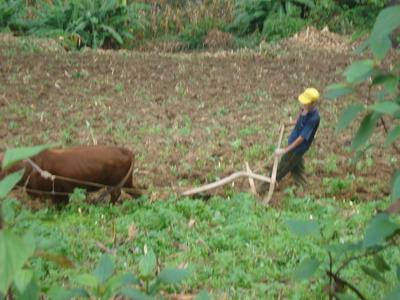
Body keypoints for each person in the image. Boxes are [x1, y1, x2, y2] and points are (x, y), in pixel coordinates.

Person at [258, 87, 320, 193]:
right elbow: (300, 121)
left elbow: (301, 138)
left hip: (297, 149)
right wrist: (288, 123)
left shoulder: (314, 118)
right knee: (297, 170)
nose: (303, 105)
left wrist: (284, 150)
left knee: (280, 169)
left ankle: (262, 189)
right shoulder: (305, 109)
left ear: (313, 103)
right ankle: (304, 189)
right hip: (293, 143)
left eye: (306, 103)